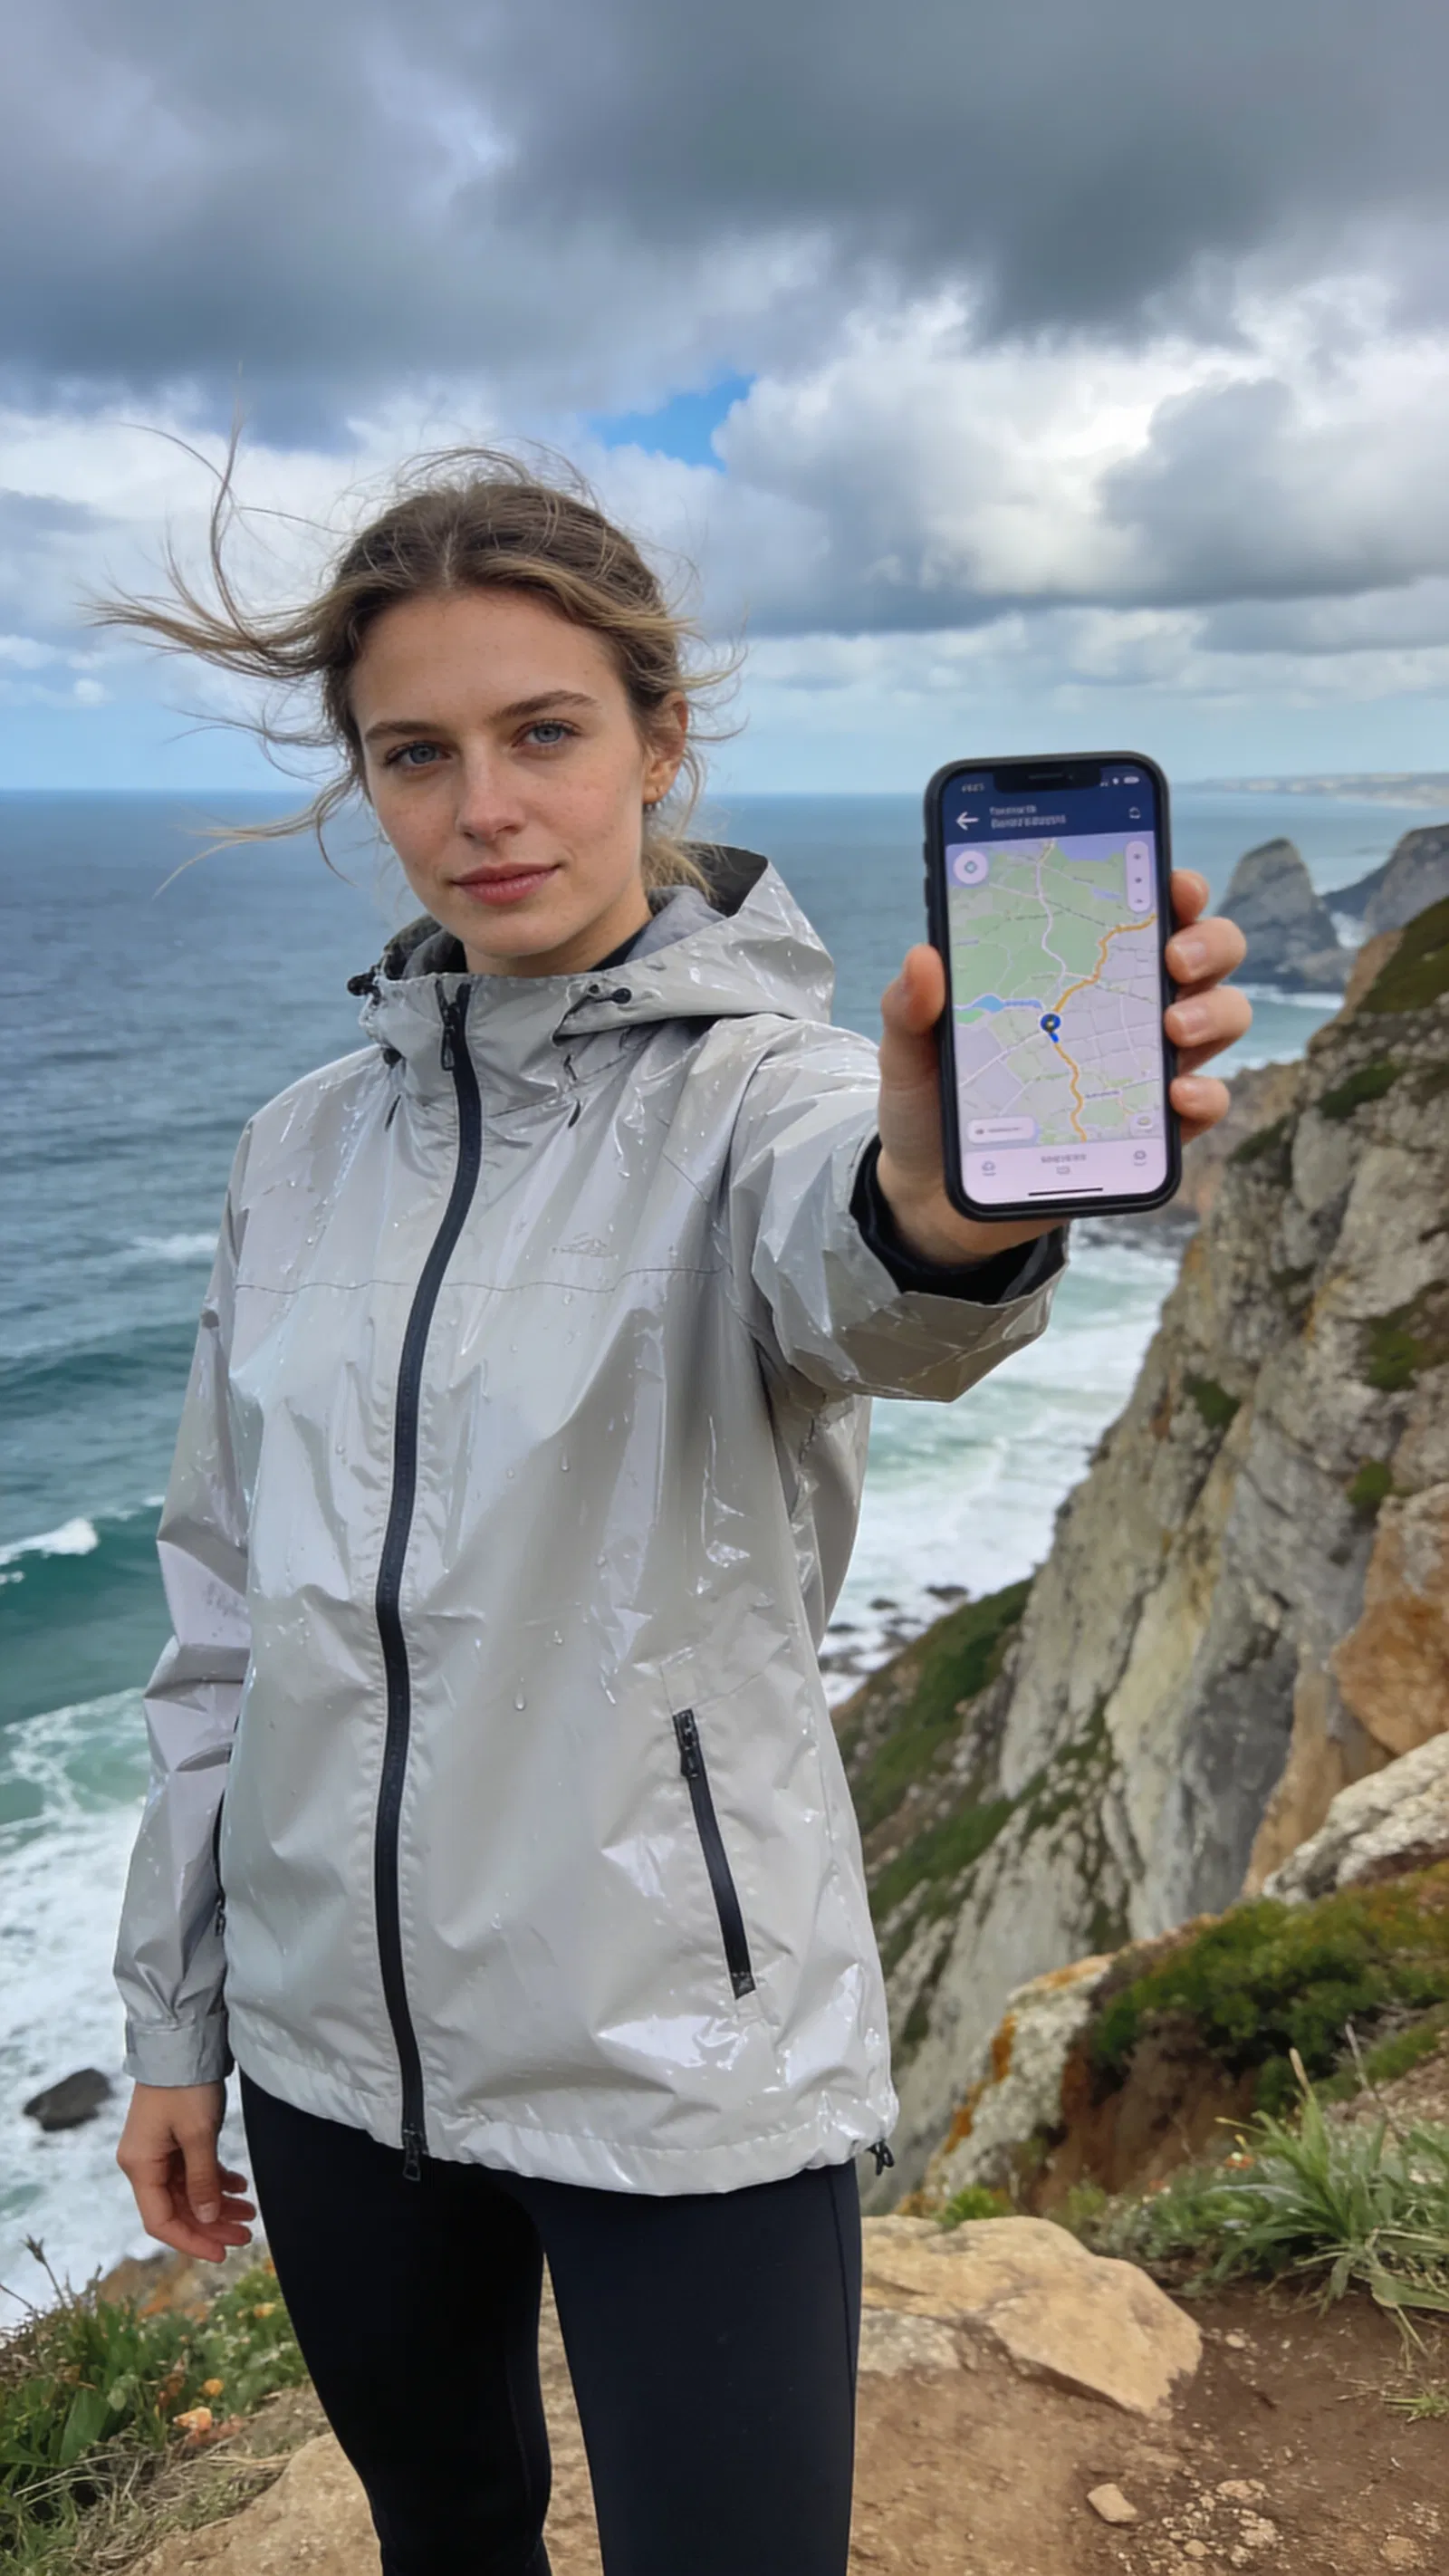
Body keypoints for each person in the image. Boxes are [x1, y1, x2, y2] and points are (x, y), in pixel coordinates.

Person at [111, 452, 1250, 2576]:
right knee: (446, 2533)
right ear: (365, 781)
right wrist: (176, 2024)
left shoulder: (776, 1100)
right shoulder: (292, 1151)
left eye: (543, 733)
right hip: (334, 2061)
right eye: (415, 754)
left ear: (657, 739)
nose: (485, 809)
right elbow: (220, 1618)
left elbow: (870, 1277)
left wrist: (954, 1196)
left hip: (679, 2052)